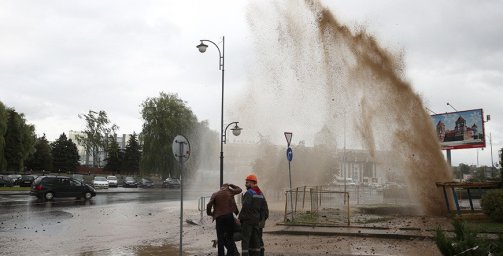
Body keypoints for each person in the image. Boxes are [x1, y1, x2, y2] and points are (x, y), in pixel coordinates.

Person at [207, 183, 242, 256]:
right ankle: (231, 254)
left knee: (220, 238)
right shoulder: (230, 191)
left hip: (219, 217)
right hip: (229, 217)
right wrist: (232, 185)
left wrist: (210, 213)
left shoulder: (215, 194)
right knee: (230, 237)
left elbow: (209, 205)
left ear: (221, 188)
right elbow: (239, 189)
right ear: (227, 187)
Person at [238, 174, 268, 256]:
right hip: (257, 221)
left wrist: (240, 218)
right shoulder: (260, 193)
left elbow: (246, 206)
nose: (245, 184)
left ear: (252, 182)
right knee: (256, 240)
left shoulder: (249, 192)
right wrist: (262, 219)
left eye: (247, 182)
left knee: (245, 240)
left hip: (248, 220)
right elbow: (264, 207)